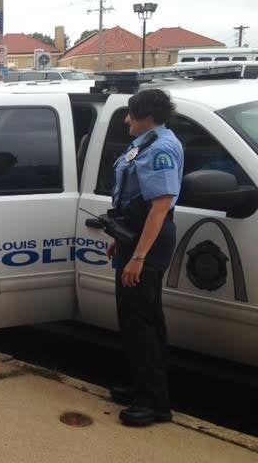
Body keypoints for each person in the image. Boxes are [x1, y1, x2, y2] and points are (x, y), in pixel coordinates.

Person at [106, 89, 184, 427]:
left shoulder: (161, 148)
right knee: (142, 319)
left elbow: (160, 206)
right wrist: (121, 242)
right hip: (136, 236)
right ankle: (144, 385)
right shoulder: (148, 141)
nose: (126, 121)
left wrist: (138, 256)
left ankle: (154, 404)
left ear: (146, 116)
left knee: (140, 325)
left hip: (148, 241)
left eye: (131, 115)